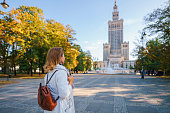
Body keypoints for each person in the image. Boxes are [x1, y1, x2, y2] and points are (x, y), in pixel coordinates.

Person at [43, 47, 75, 113]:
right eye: (63, 55)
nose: (64, 57)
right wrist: (70, 82)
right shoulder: (61, 72)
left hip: (50, 108)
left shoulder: (48, 73)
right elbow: (64, 94)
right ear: (59, 57)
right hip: (60, 109)